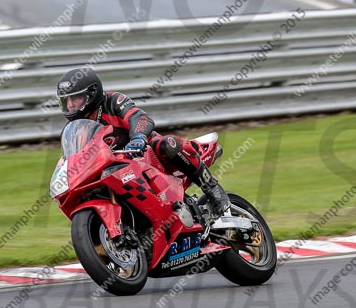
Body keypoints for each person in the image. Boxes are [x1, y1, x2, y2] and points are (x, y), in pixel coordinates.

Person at [56, 66, 231, 216]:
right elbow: (73, 156)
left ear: (91, 93)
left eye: (75, 98)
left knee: (168, 144)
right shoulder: (74, 128)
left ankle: (212, 189)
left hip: (146, 155)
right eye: (67, 100)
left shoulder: (113, 101)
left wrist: (138, 137)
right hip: (113, 169)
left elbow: (140, 118)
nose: (70, 105)